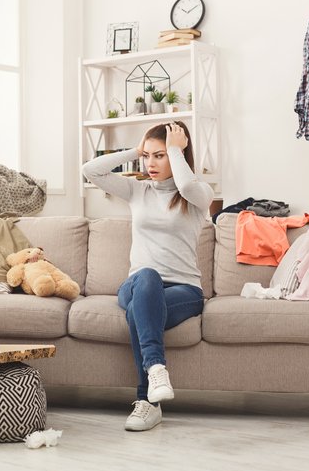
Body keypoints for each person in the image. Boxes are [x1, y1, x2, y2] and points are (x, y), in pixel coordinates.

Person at [82, 121, 213, 431]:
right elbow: (91, 170)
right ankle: (156, 369)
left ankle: (147, 403)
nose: (150, 164)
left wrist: (175, 150)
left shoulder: (198, 196)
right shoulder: (137, 190)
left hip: (184, 290)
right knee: (147, 278)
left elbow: (186, 186)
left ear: (178, 155)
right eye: (147, 156)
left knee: (140, 314)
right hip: (138, 282)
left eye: (160, 156)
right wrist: (133, 149)